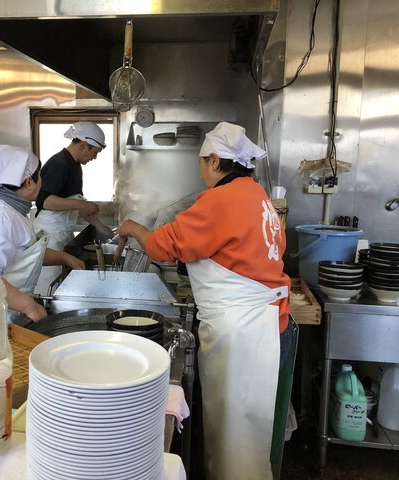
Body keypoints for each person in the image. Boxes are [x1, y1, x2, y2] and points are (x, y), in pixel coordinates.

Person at [118, 122, 292, 480]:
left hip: (244, 331)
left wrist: (133, 227)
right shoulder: (256, 195)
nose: (201, 171)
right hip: (268, 323)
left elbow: (162, 247)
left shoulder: (221, 199)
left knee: (236, 438)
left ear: (215, 160)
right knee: (249, 431)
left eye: (201, 162)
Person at [0, 144, 84, 330]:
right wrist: (30, 306)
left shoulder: (11, 211)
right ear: (29, 182)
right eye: (40, 176)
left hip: (5, 313)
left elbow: (22, 253)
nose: (42, 181)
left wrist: (64, 257)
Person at [33, 121, 112, 293]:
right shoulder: (59, 164)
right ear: (83, 145)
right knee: (47, 287)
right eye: (94, 152)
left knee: (59, 285)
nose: (94, 158)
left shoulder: (75, 166)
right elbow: (45, 201)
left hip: (62, 236)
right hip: (49, 237)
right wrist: (82, 204)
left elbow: (78, 206)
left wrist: (103, 228)